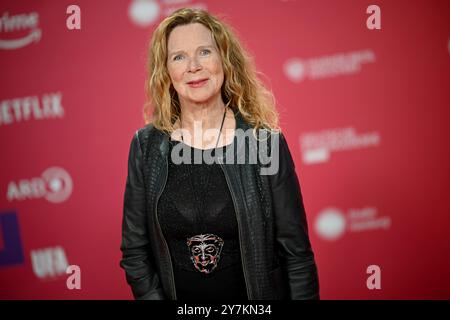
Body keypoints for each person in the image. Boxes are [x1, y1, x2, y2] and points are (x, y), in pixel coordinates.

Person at [120, 7, 319, 301]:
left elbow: (296, 254)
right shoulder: (146, 147)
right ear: (166, 72)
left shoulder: (265, 143)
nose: (193, 66)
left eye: (204, 52)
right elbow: (136, 252)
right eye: (178, 57)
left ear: (224, 60)